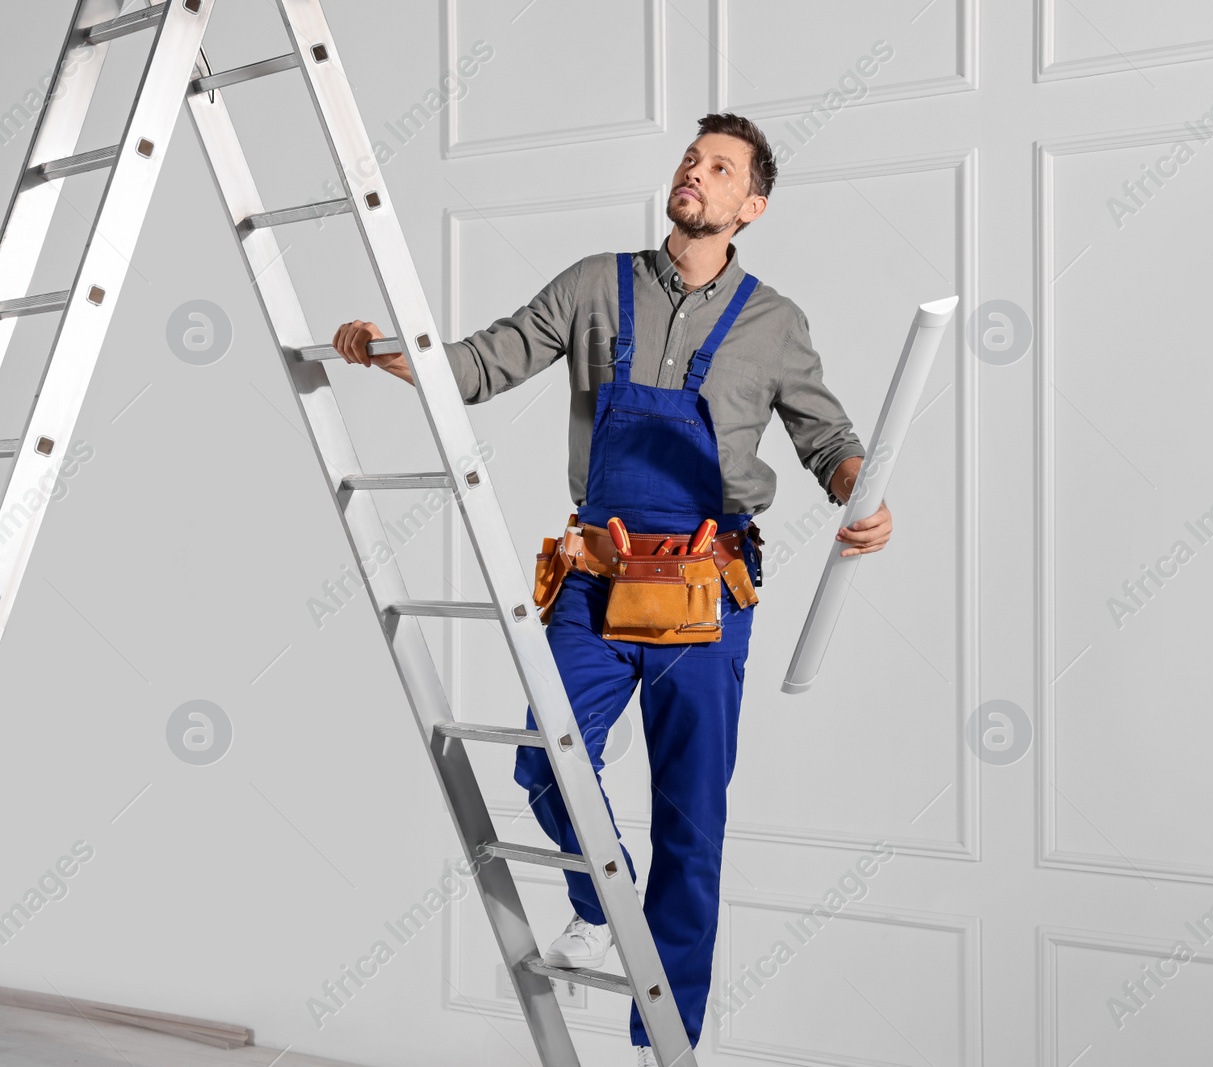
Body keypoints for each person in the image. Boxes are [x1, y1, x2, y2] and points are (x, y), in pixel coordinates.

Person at [331, 112, 891, 1065]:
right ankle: (599, 902)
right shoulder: (597, 285)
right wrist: (384, 348)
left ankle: (658, 1043)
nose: (695, 173)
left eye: (720, 169)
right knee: (546, 759)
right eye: (690, 159)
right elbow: (477, 365)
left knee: (690, 823)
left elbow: (829, 444)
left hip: (707, 598)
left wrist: (858, 492)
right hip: (594, 586)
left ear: (750, 205)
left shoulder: (774, 323)